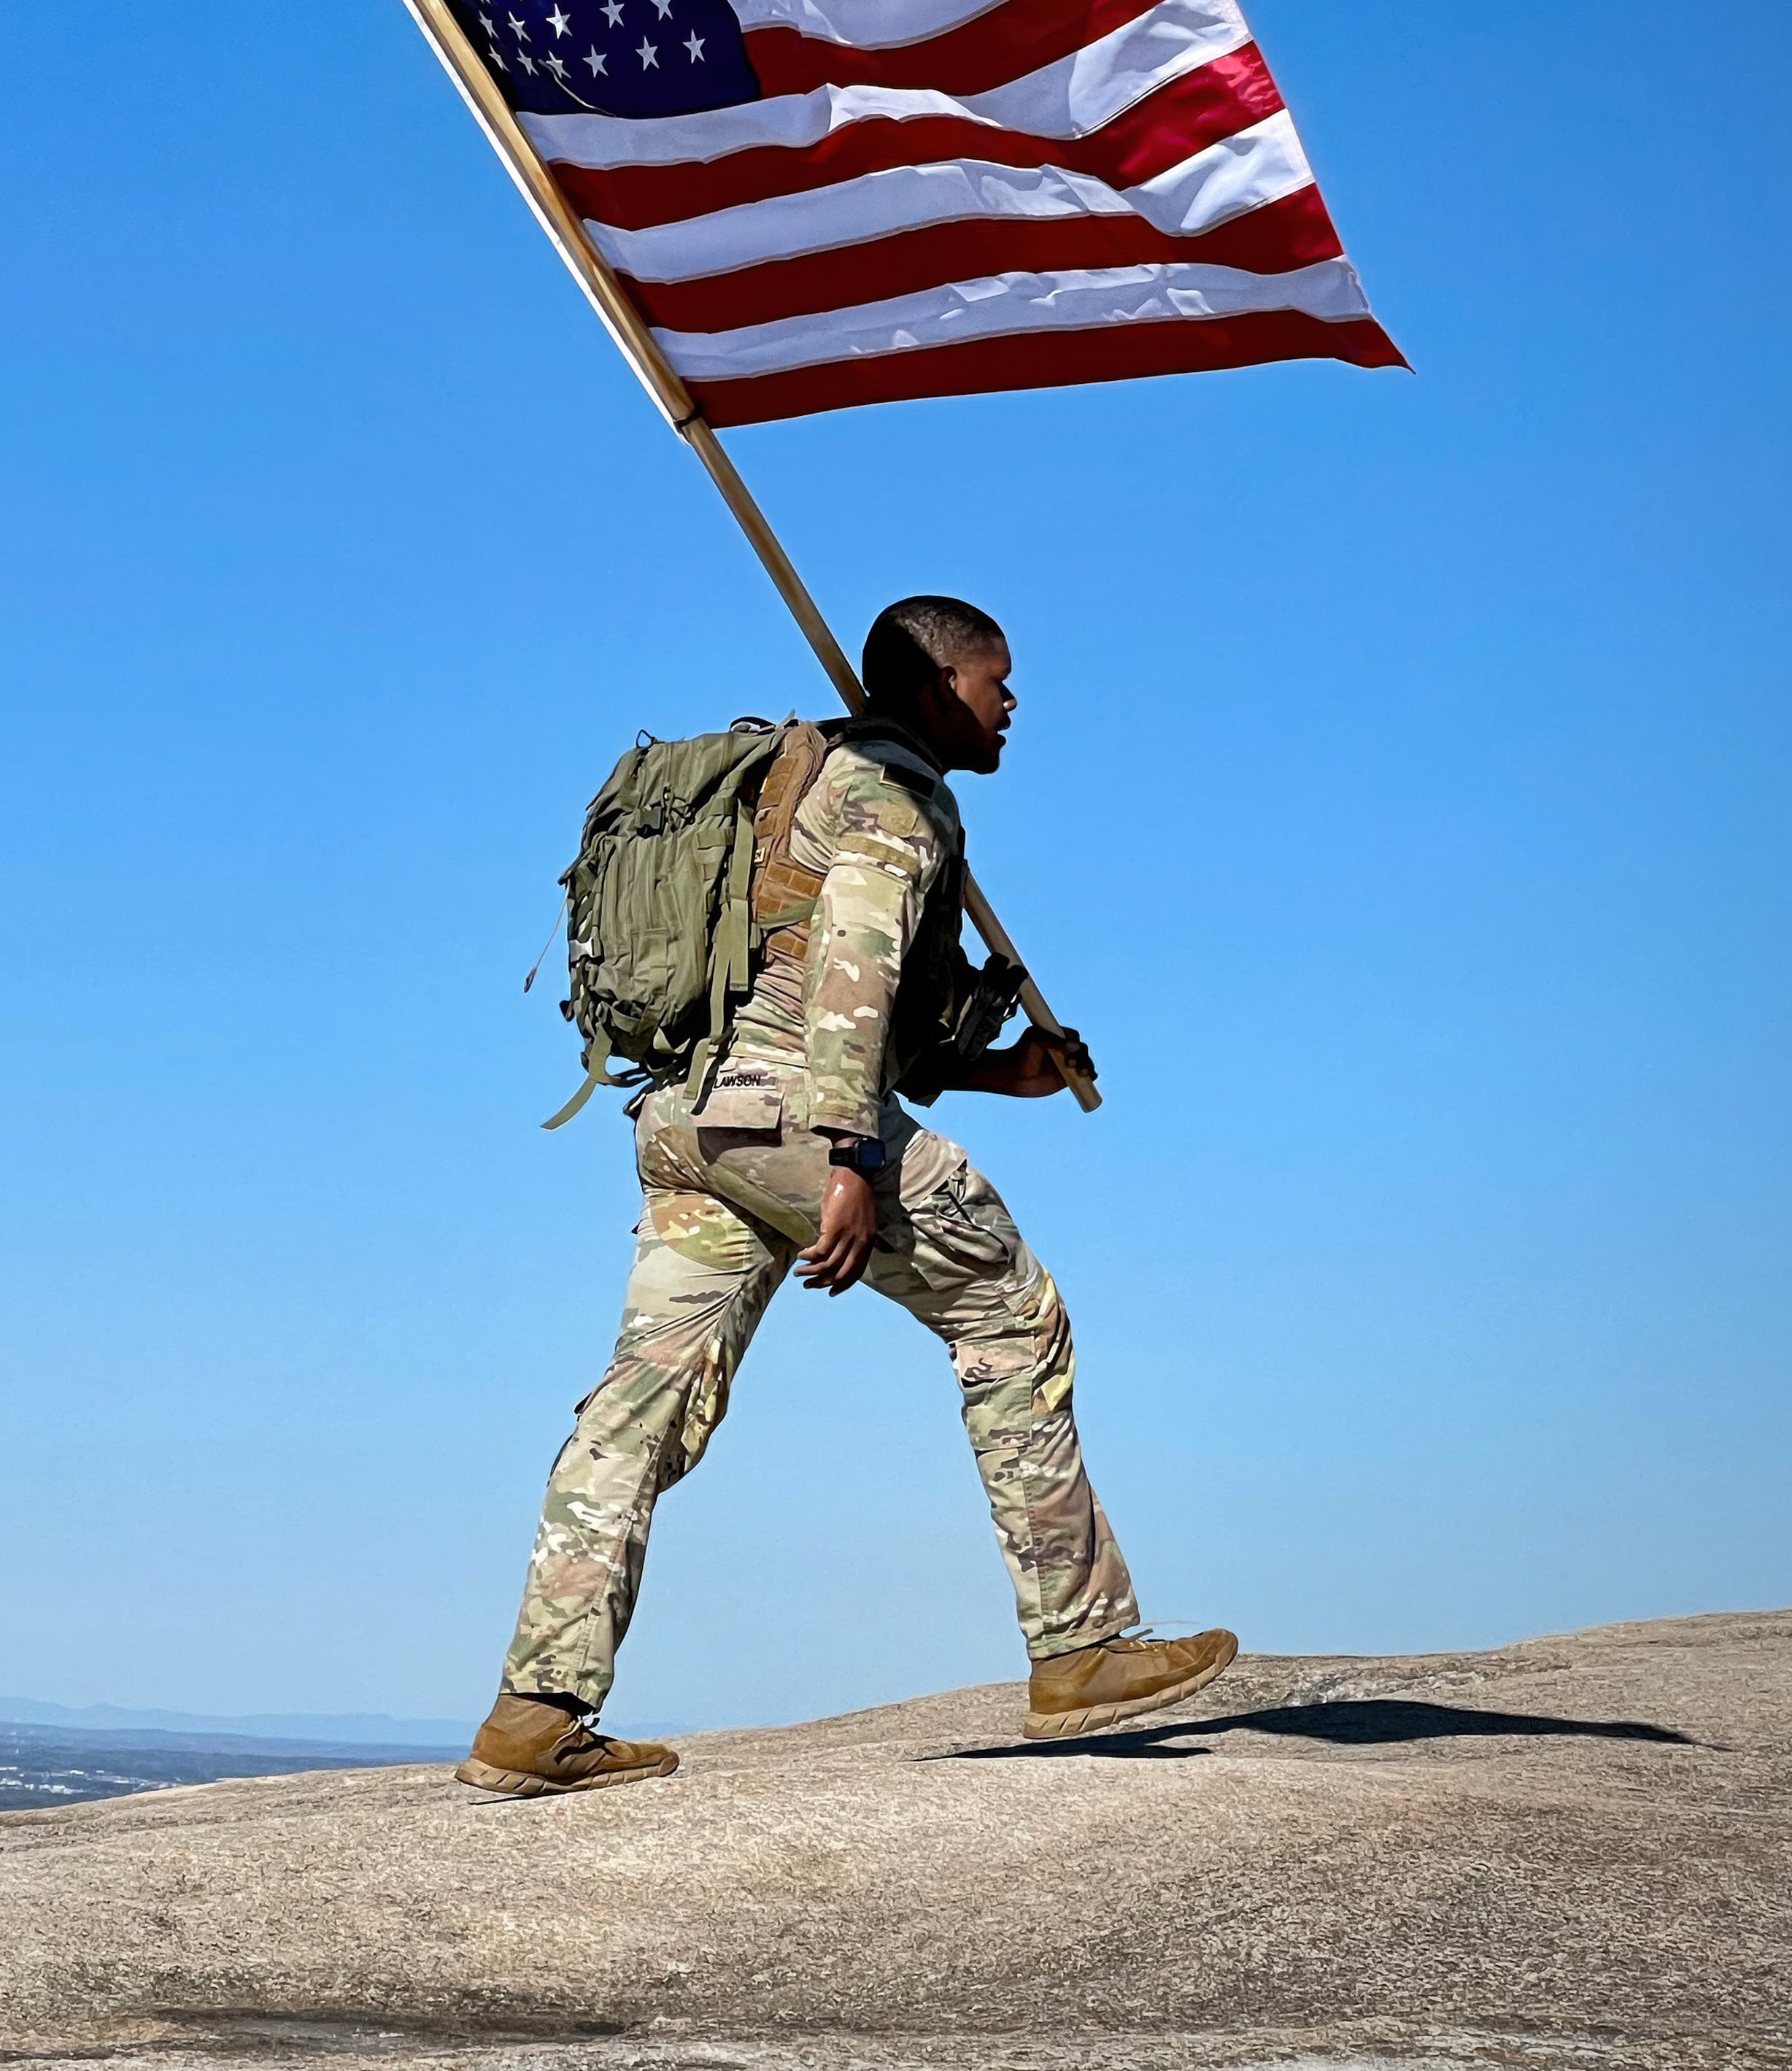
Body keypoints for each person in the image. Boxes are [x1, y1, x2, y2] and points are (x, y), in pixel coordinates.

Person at [457, 595, 1237, 1797]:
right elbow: (851, 974)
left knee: (639, 1408)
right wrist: (852, 1161)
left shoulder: (804, 780)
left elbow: (856, 1009)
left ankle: (535, 1710)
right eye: (996, 682)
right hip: (795, 1115)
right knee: (1010, 1317)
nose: (1012, 704)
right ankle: (1080, 1649)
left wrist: (998, 1072)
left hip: (692, 1116)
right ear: (937, 688)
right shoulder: (894, 793)